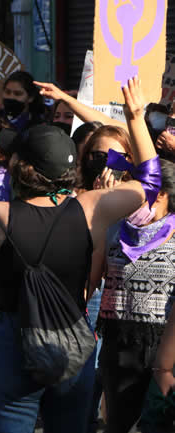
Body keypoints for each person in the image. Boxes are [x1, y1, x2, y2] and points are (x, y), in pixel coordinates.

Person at [0, 76, 160, 432]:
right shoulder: (91, 208)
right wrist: (135, 119)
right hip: (72, 336)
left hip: (12, 339)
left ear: (21, 166)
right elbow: (150, 183)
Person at [90, 157, 175, 433]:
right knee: (118, 424)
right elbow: (92, 272)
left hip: (165, 345)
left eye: (134, 189)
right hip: (119, 341)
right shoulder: (115, 228)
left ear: (161, 194)